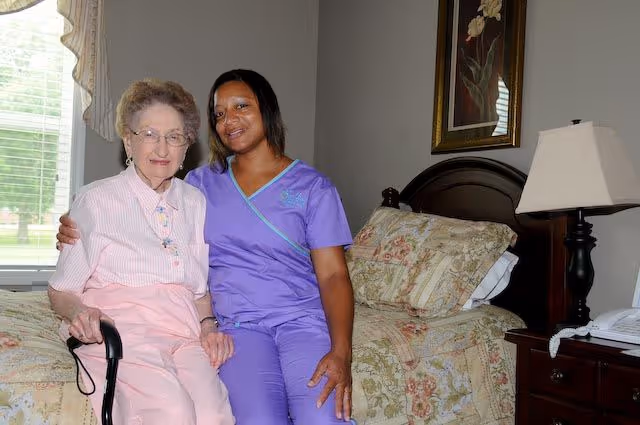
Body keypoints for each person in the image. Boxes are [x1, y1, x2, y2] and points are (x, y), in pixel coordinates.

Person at [57, 69, 355, 424]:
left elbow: (335, 274)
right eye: (219, 113)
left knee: (323, 417)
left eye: (242, 105)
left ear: (268, 110)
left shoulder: (310, 188)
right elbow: (127, 214)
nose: (230, 119)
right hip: (239, 326)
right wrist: (74, 226)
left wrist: (342, 352)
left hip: (299, 322)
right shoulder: (202, 185)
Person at [49, 78, 235, 425]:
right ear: (128, 141)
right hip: (126, 332)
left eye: (175, 136)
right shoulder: (97, 200)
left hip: (183, 335)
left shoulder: (194, 202)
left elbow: (197, 288)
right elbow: (61, 291)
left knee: (215, 415)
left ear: (186, 147)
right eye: (149, 134)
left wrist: (208, 326)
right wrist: (82, 312)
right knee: (172, 413)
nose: (162, 148)